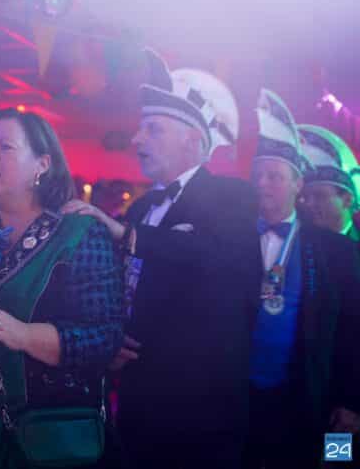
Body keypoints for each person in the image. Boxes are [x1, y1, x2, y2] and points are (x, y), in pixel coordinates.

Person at [63, 50, 261, 468]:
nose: (137, 139)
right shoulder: (142, 207)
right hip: (137, 401)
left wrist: (126, 234)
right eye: (141, 128)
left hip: (199, 410)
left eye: (153, 128)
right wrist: (113, 337)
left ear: (193, 140)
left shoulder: (232, 196)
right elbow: (127, 287)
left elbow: (212, 259)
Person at [0, 108, 124, 469]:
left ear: (42, 164)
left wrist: (23, 335)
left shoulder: (78, 233)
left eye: (5, 147)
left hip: (48, 432)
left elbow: (105, 338)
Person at [246, 89, 360, 469]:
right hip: (253, 398)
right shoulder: (241, 238)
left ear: (348, 199)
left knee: (338, 462)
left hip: (326, 402)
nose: (312, 205)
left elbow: (354, 330)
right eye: (259, 176)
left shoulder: (341, 251)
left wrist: (353, 400)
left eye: (320, 196)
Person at [298, 124, 360, 242]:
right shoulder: (295, 243)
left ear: (347, 200)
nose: (308, 204)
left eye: (319, 195)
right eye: (304, 197)